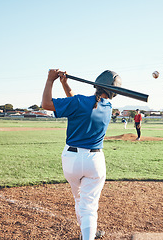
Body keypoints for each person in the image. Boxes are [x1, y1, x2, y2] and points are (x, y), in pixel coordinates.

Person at [41, 69, 122, 240]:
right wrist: (65, 84)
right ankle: (88, 235)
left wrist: (50, 81)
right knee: (89, 207)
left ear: (96, 84)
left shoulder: (79, 102)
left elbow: (46, 104)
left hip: (71, 161)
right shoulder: (108, 107)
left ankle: (86, 232)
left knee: (79, 201)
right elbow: (81, 103)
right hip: (94, 161)